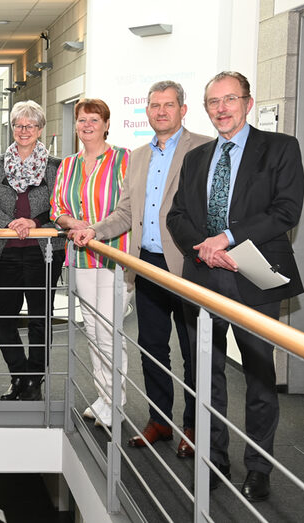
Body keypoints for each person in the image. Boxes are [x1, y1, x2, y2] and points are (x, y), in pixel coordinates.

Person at [167, 71, 304, 502]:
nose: (221, 108)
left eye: (230, 99)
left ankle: (260, 468)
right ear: (206, 108)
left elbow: (286, 210)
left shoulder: (280, 148)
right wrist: (203, 248)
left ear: (247, 101)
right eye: (213, 102)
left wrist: (227, 238)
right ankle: (214, 459)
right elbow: (176, 216)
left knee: (260, 378)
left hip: (254, 274)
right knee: (206, 376)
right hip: (204, 275)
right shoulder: (196, 157)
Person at [71, 81, 210, 455]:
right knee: (152, 347)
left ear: (183, 109)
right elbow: (127, 212)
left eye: (168, 105)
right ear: (146, 111)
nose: (161, 111)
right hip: (145, 263)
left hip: (186, 264)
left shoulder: (204, 149)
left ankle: (195, 427)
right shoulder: (138, 156)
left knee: (192, 349)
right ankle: (160, 421)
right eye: (154, 106)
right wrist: (93, 230)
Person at [50, 98, 131, 428]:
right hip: (81, 257)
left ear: (106, 124)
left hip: (115, 255)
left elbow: (129, 207)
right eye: (82, 120)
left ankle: (118, 400)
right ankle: (104, 395)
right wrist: (72, 224)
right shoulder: (68, 164)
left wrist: (95, 227)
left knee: (110, 330)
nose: (86, 125)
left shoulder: (124, 159)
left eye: (94, 120)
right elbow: (57, 207)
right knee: (93, 329)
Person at [0, 100, 65, 401]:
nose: (23, 130)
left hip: (44, 253)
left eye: (30, 125)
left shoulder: (56, 167)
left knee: (41, 319)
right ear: (11, 128)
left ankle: (33, 382)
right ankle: (20, 374)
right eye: (18, 125)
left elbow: (60, 206)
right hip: (7, 251)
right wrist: (11, 222)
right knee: (2, 319)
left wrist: (35, 221)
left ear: (40, 129)